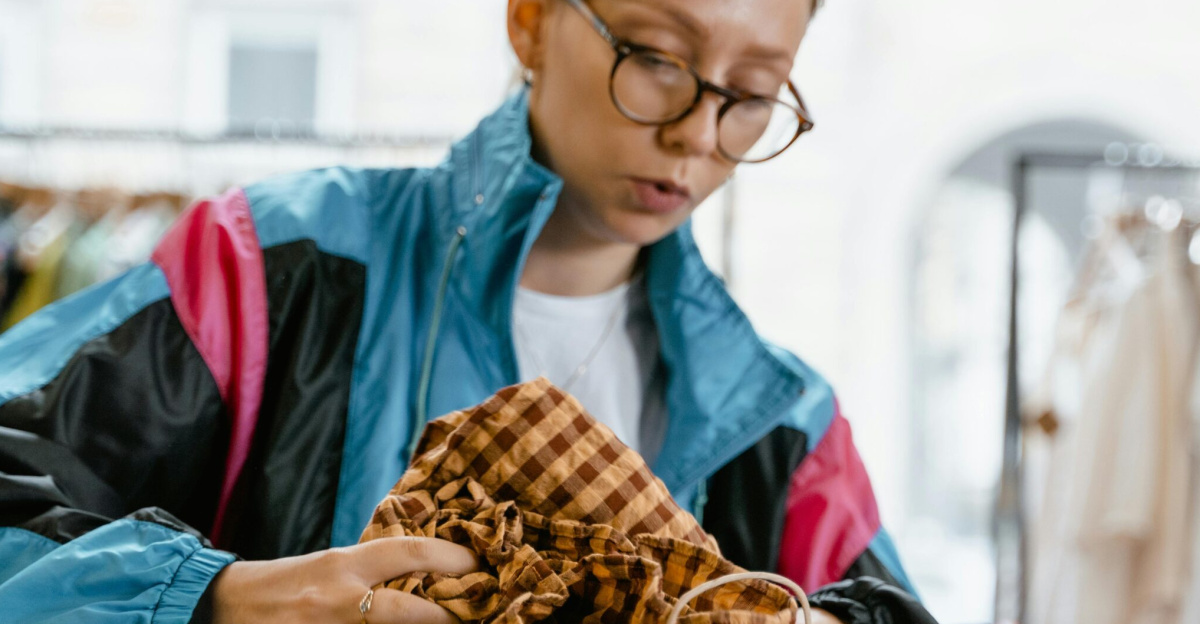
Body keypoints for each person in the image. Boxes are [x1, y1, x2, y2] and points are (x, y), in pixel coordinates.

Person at [0, 0, 936, 622]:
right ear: (529, 22)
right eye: (656, 58)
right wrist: (221, 599)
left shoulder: (781, 421)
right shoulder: (275, 261)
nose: (699, 129)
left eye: (755, 94)